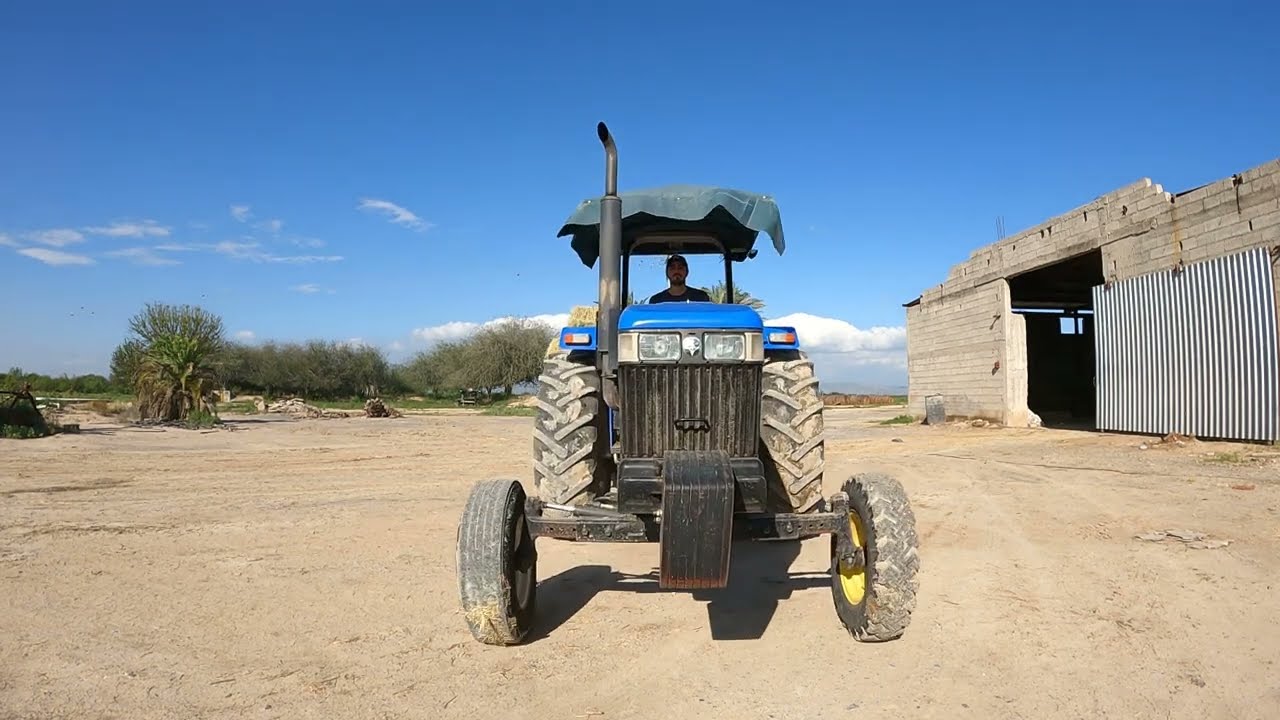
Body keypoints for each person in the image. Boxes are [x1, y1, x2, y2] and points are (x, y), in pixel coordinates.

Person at [647, 254, 712, 304]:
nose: (676, 271)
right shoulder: (656, 301)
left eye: (680, 268)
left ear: (687, 272)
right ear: (667, 272)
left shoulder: (700, 298)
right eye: (672, 268)